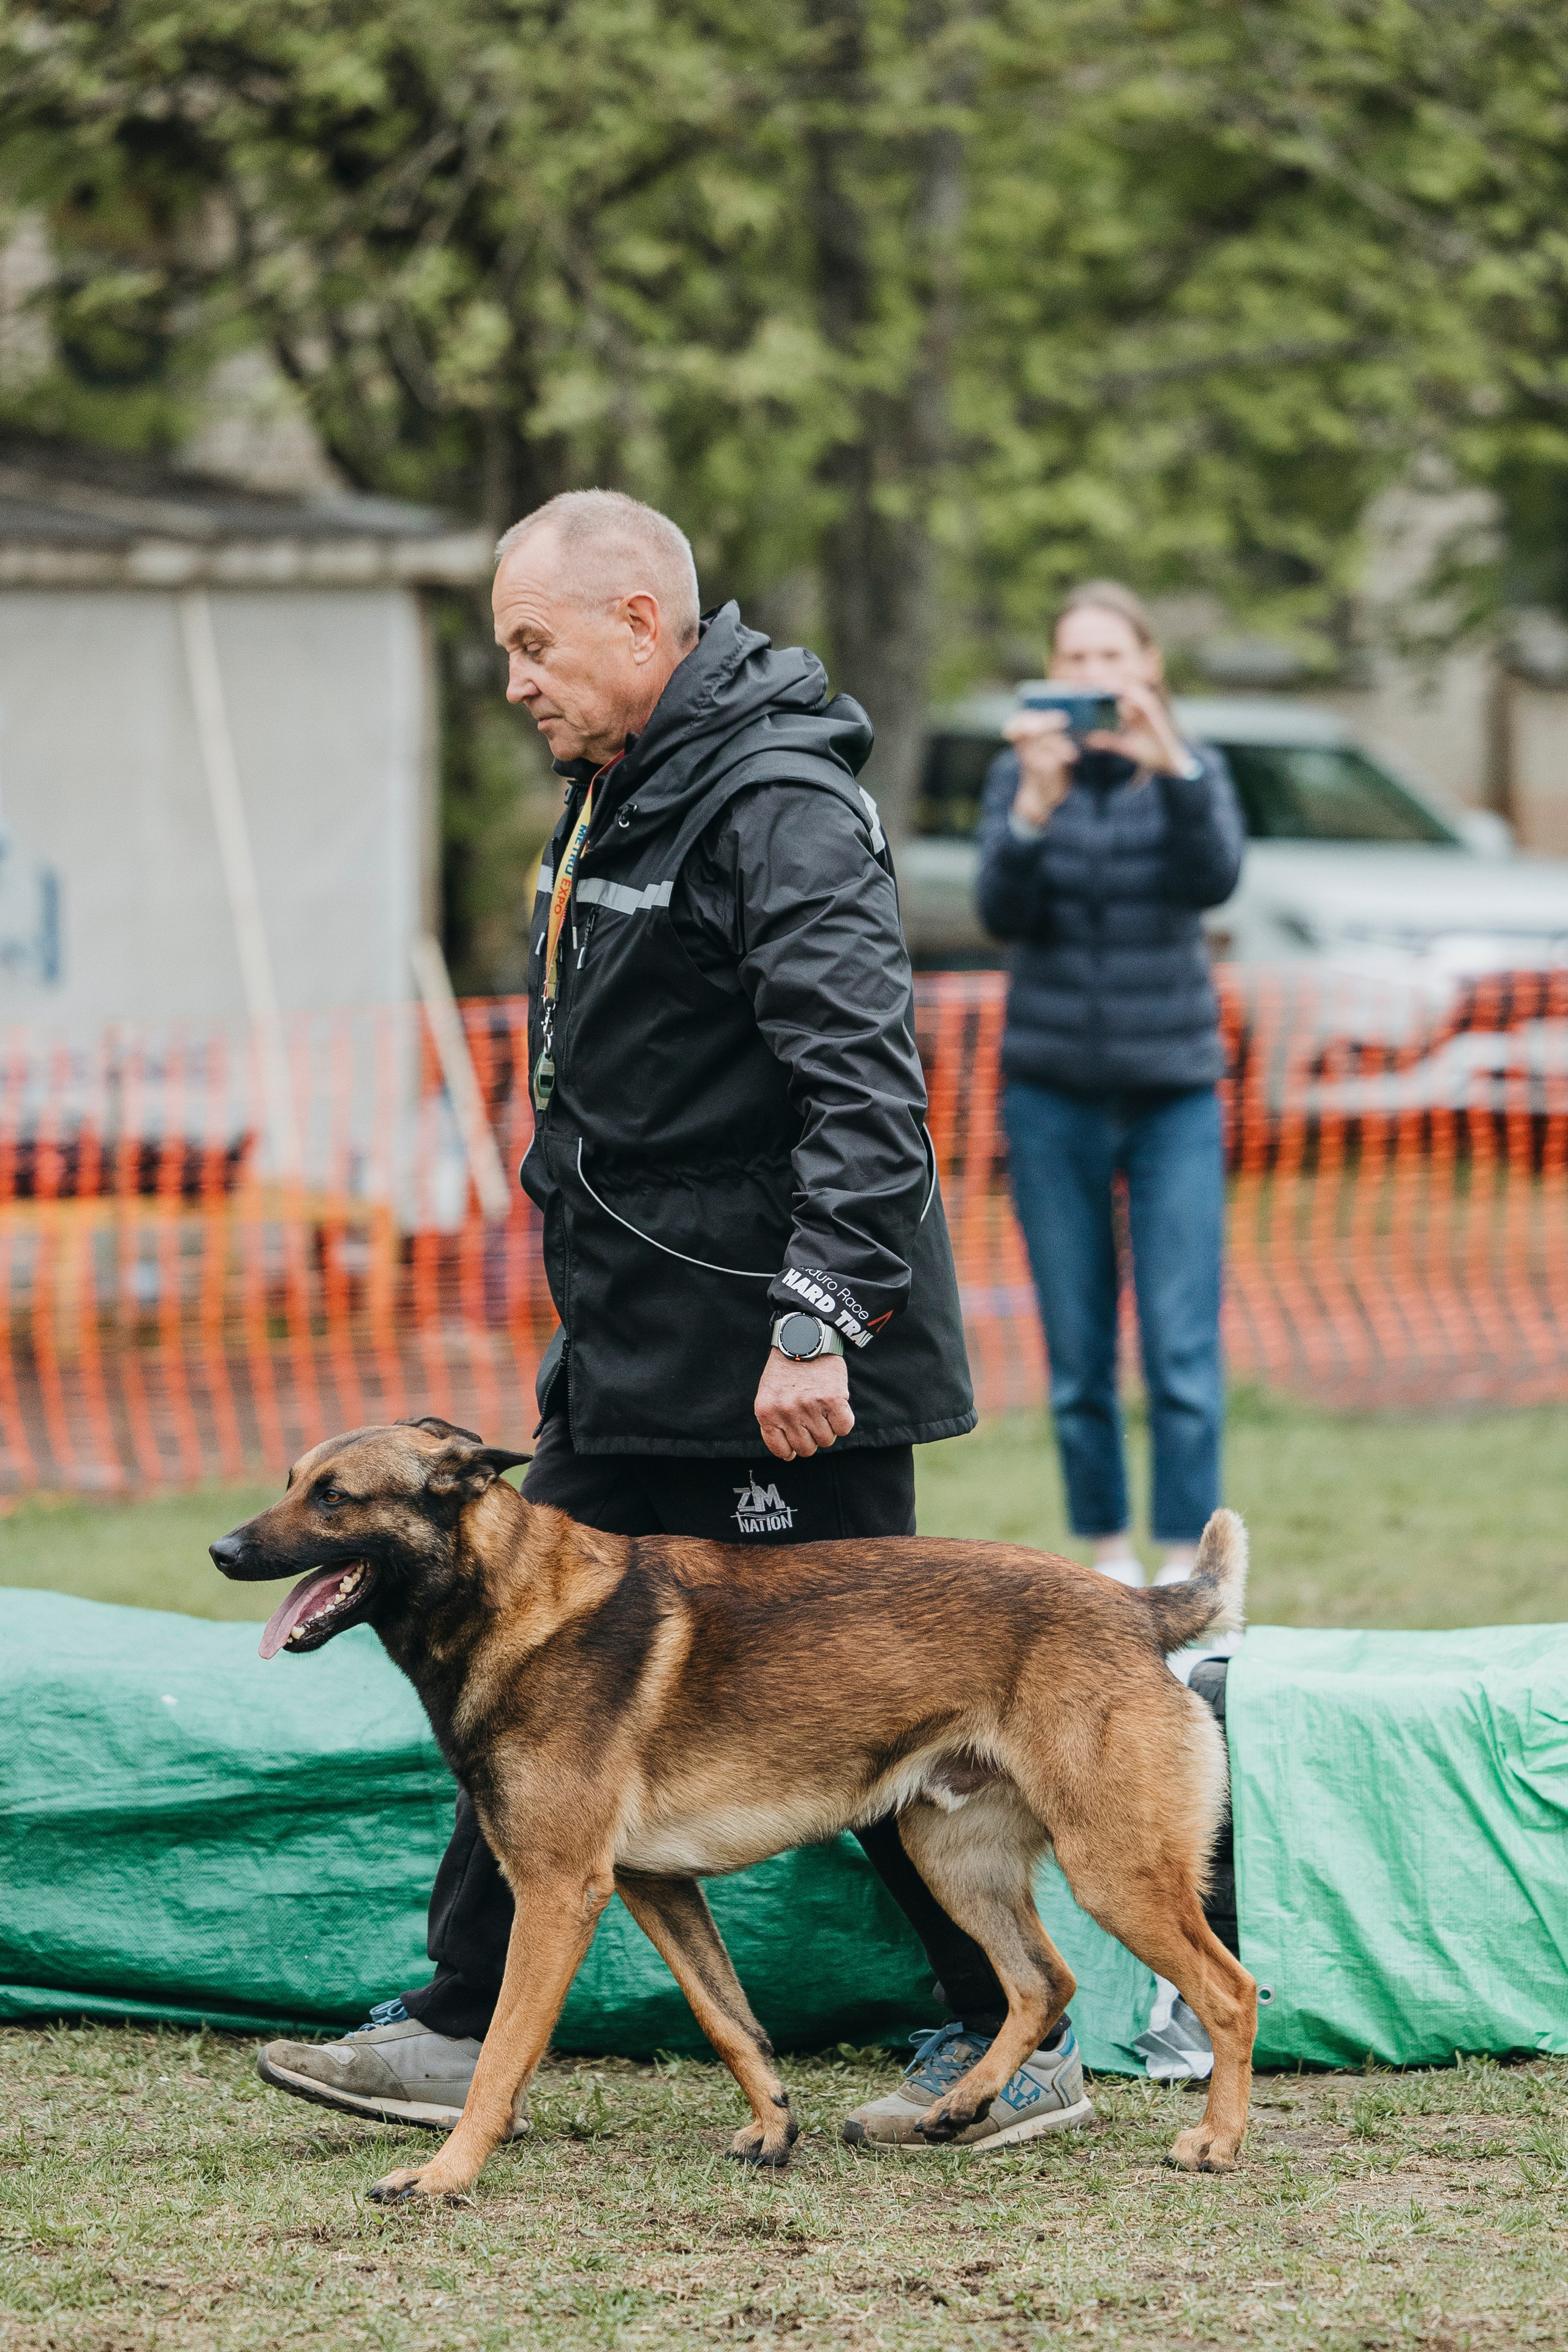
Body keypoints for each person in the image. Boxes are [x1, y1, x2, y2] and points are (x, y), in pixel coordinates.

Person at [257, 490, 1093, 2153]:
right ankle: (456, 2021)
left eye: (534, 644)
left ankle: (1016, 2039)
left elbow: (866, 1079)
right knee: (506, 1667)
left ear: (642, 621)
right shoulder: (618, 791)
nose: (514, 681)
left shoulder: (775, 800)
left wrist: (815, 1319)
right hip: (638, 1354)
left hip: (789, 1366)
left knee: (883, 1703)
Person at [975, 582, 1245, 1591]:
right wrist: (1036, 802)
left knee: (1181, 1342)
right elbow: (1001, 906)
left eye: (1109, 659)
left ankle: (1186, 1560)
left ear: (1148, 667)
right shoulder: (1020, 775)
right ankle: (1110, 1557)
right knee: (1078, 1349)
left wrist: (1168, 762)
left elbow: (1217, 876)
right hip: (1052, 1095)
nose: (1093, 678)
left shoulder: (1189, 768)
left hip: (1174, 1092)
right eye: (1074, 660)